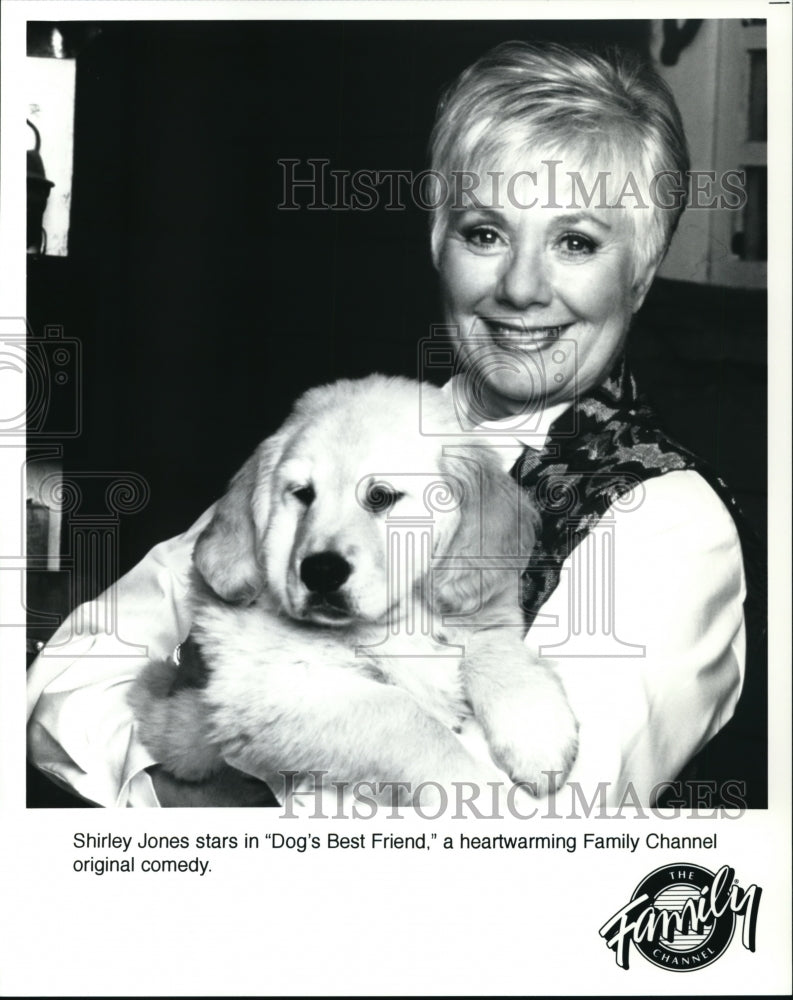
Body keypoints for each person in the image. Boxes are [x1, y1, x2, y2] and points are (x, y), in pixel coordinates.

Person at [26, 40, 763, 809]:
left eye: (575, 242)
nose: (519, 287)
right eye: (485, 233)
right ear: (438, 243)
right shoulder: (348, 434)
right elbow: (70, 671)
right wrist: (164, 781)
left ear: (638, 276)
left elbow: (512, 833)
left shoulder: (671, 522)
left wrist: (242, 803)